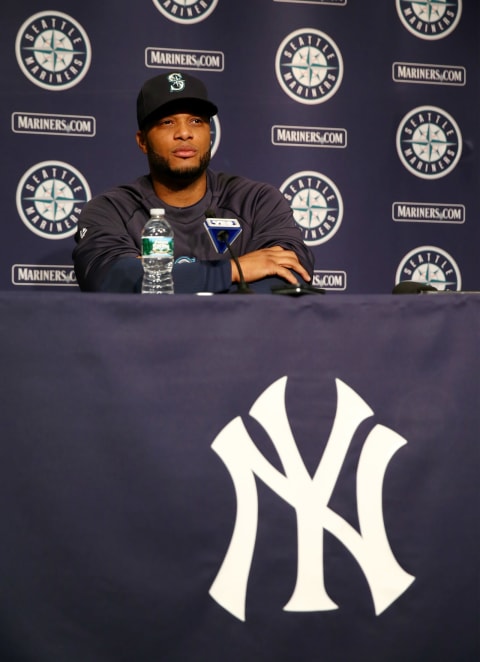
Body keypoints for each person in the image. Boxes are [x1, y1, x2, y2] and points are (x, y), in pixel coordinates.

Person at [73, 71, 314, 293]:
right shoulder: (109, 210)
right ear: (143, 141)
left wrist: (167, 281)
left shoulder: (257, 201)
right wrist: (232, 270)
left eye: (196, 121)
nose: (184, 133)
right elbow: (115, 280)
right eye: (168, 122)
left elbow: (289, 276)